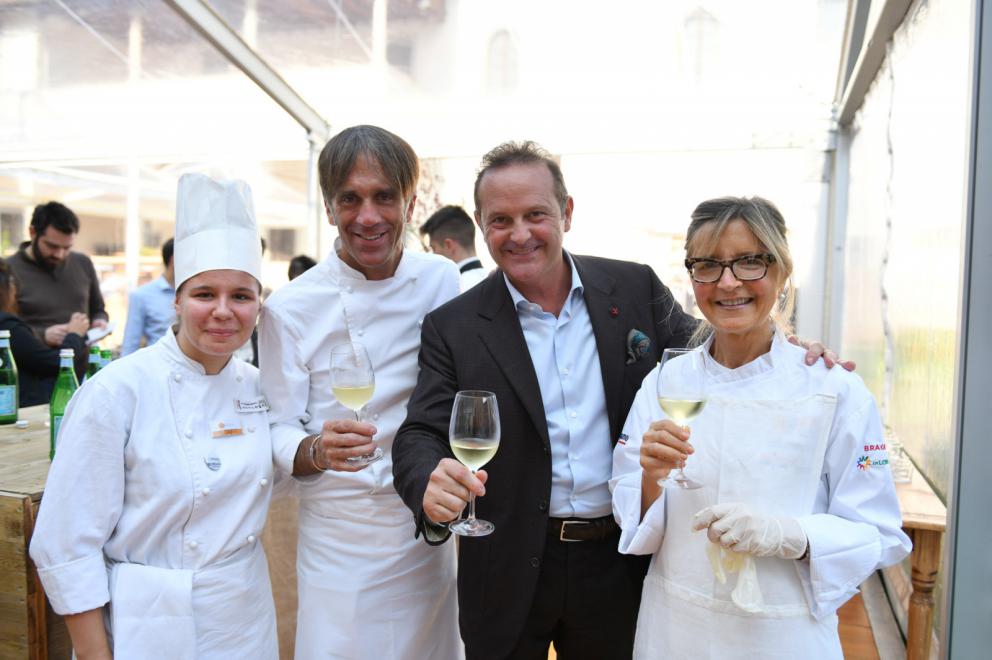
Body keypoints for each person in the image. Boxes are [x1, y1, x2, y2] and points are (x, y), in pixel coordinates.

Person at [391, 141, 842, 660]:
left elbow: (714, 347)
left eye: (535, 214)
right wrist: (428, 478)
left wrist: (786, 345)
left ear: (567, 212)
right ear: (480, 223)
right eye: (501, 220)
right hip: (506, 564)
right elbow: (420, 433)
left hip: (619, 562)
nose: (519, 234)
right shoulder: (455, 326)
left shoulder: (633, 287)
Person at [610, 196, 911, 658]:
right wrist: (650, 477)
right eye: (707, 265)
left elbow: (879, 532)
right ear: (692, 277)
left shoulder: (835, 390)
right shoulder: (666, 382)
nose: (728, 283)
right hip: (676, 627)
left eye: (750, 262)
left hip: (781, 634)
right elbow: (632, 506)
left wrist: (787, 534)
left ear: (782, 271)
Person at [30, 174, 278, 660]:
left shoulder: (258, 387)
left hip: (244, 618)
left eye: (241, 296)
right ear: (177, 300)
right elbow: (64, 544)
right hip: (146, 625)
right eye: (205, 294)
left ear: (259, 306)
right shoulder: (118, 391)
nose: (223, 311)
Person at [258, 125, 463, 659]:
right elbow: (276, 426)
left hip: (422, 525)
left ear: (410, 203)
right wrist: (315, 451)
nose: (368, 217)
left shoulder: (442, 280)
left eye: (384, 197)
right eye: (350, 199)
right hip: (338, 536)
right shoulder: (290, 308)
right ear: (330, 208)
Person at [7, 201, 108, 346]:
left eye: (66, 247)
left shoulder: (83, 263)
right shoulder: (8, 270)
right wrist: (42, 335)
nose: (59, 254)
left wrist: (100, 321)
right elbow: (4, 328)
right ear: (32, 232)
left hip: (81, 364)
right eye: (52, 246)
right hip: (33, 364)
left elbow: (98, 309)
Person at [0, 258, 88, 406]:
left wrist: (42, 337)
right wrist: (75, 335)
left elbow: (26, 351)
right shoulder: (7, 326)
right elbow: (54, 363)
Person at [120, 238, 176, 356]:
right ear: (173, 260)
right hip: (158, 367)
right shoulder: (141, 295)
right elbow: (130, 344)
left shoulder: (198, 294)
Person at [420, 205, 488, 291]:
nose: (433, 254)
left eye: (434, 248)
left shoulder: (454, 289)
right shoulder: (498, 282)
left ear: (448, 245)